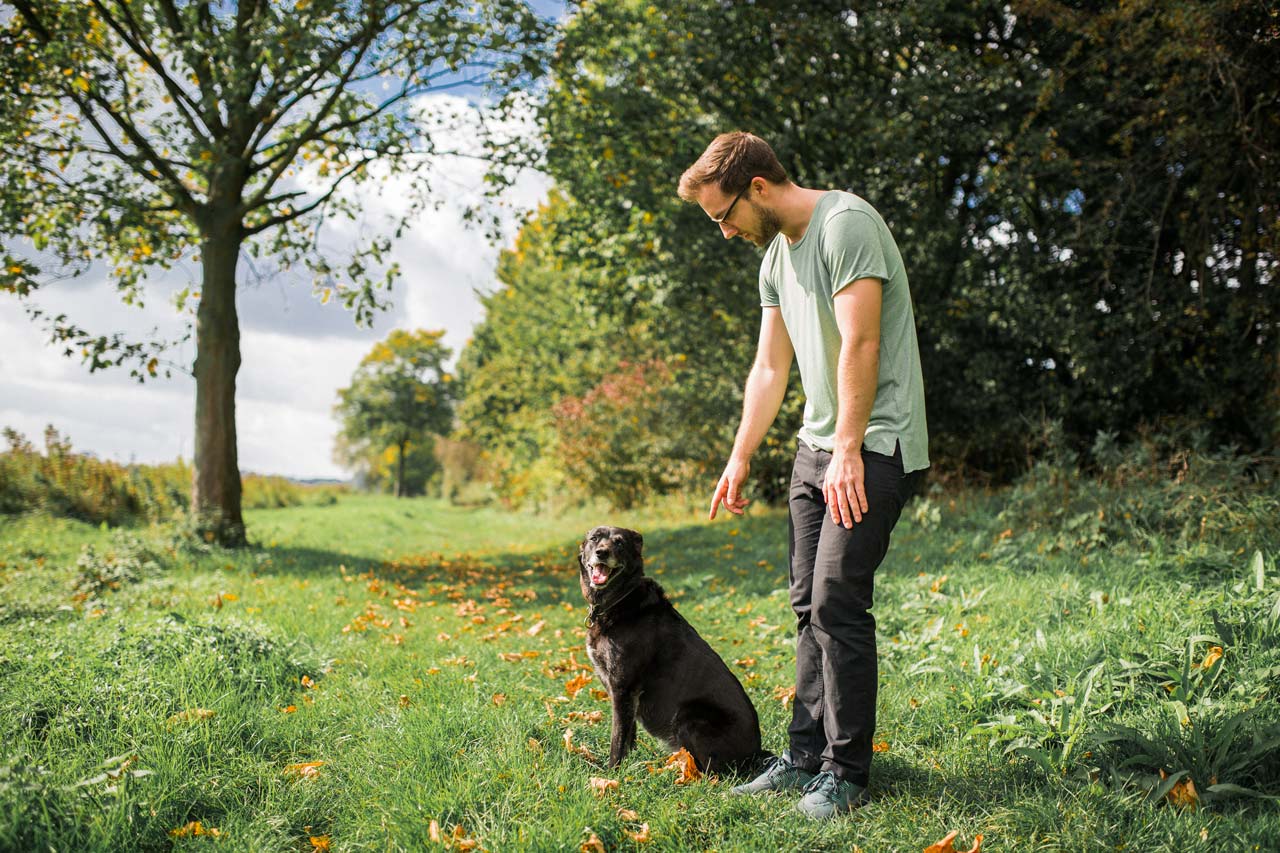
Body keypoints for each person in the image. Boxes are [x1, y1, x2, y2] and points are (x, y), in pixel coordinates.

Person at [677, 131, 929, 820]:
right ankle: (805, 758)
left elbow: (863, 340)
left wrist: (849, 446)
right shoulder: (775, 260)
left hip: (872, 445)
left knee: (838, 603)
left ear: (757, 186)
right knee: (805, 607)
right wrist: (740, 454)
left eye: (724, 215)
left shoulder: (846, 224)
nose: (725, 232)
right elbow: (769, 368)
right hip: (816, 449)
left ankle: (846, 774)